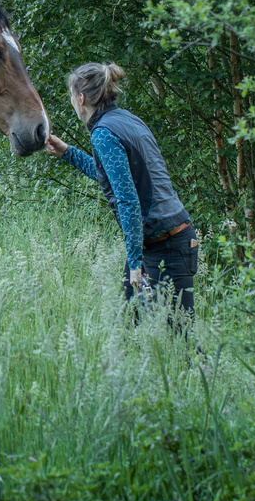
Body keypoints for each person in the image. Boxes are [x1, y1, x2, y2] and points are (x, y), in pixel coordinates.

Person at [45, 62, 199, 319]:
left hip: (166, 246)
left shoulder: (103, 133)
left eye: (72, 96)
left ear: (81, 98)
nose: (72, 101)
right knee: (130, 326)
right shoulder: (126, 119)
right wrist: (67, 153)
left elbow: (128, 200)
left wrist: (135, 264)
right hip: (163, 240)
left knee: (179, 340)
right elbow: (115, 180)